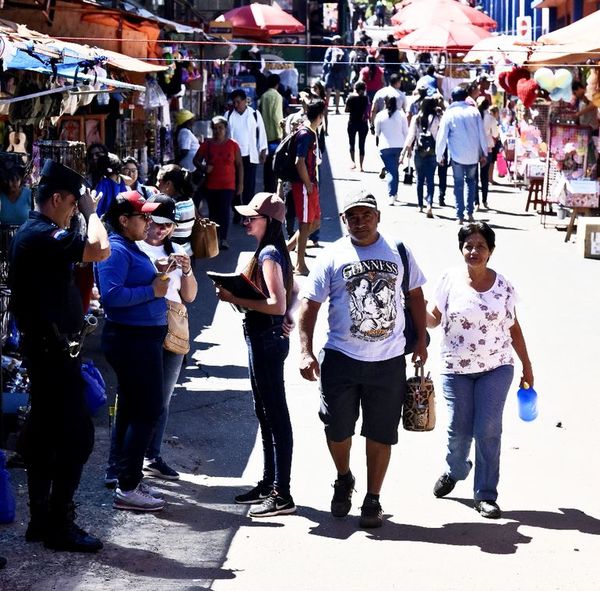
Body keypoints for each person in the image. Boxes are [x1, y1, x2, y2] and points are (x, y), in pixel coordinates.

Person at [298, 192, 427, 529]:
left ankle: (373, 498)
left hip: (389, 361)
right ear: (344, 220)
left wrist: (422, 339)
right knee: (337, 428)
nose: (360, 221)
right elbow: (309, 306)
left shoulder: (399, 251)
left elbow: (415, 295)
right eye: (352, 216)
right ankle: (344, 477)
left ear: (378, 217)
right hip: (341, 358)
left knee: (381, 432)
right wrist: (305, 350)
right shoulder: (332, 256)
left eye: (366, 215)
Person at [8, 160, 110, 552]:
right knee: (76, 437)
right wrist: (93, 211)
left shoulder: (41, 233)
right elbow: (99, 249)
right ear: (56, 198)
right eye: (71, 204)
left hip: (50, 351)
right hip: (50, 354)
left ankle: (41, 520)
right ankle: (59, 524)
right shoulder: (40, 233)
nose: (74, 211)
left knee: (42, 436)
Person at [426, 222, 533, 519]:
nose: (474, 251)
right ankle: (455, 469)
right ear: (461, 249)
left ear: (491, 252)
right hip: (455, 369)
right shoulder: (449, 279)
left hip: (496, 368)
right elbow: (434, 319)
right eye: (469, 246)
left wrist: (527, 365)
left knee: (488, 429)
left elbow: (514, 327)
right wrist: (415, 307)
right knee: (459, 432)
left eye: (481, 247)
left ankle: (485, 494)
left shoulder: (504, 286)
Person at [215, 193, 298, 518]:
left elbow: (276, 302)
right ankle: (269, 484)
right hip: (265, 336)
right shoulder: (271, 251)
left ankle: (282, 493)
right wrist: (288, 315)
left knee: (274, 414)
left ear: (270, 221)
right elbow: (291, 294)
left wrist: (234, 296)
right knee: (265, 412)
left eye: (253, 217)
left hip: (265, 337)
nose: (247, 221)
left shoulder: (269, 253)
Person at [96, 191, 169, 512]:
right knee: (147, 409)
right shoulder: (117, 249)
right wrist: (152, 288)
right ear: (124, 220)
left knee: (132, 409)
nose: (149, 222)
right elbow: (111, 297)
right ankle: (127, 485)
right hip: (132, 340)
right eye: (143, 217)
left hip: (140, 339)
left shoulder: (127, 247)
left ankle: (128, 477)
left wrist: (155, 276)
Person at [138, 195, 198, 479]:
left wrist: (186, 270)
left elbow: (190, 296)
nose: (161, 230)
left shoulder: (178, 249)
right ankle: (127, 460)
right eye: (157, 223)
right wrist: (160, 276)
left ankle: (153, 455)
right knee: (135, 397)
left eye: (168, 225)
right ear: (146, 219)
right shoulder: (133, 248)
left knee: (163, 397)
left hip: (173, 326)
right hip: (142, 325)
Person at [435, 86, 488, 224]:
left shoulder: (449, 113)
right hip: (473, 156)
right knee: (471, 183)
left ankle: (460, 215)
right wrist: (484, 153)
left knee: (458, 184)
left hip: (457, 156)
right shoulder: (474, 112)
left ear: (452, 98)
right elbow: (481, 134)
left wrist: (439, 155)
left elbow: (442, 136)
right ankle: (470, 213)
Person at [286, 99, 326, 276]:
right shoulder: (305, 134)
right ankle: (299, 264)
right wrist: (308, 184)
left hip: (310, 183)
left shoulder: (311, 132)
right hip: (304, 184)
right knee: (304, 224)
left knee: (315, 222)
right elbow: (299, 161)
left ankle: (285, 248)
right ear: (320, 116)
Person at [195, 116, 243, 250]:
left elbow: (239, 165)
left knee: (225, 211)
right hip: (211, 185)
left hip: (228, 185)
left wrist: (240, 184)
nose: (217, 131)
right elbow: (196, 160)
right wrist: (204, 168)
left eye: (220, 128)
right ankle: (214, 237)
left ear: (225, 129)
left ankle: (224, 239)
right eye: (215, 128)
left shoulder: (233, 145)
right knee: (213, 212)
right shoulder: (207, 145)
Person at [226, 89, 268, 210]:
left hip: (250, 155)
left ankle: (247, 212)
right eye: (234, 102)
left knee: (248, 186)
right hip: (233, 157)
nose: (236, 105)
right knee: (233, 185)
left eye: (238, 102)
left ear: (245, 101)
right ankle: (237, 210)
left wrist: (263, 150)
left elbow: (262, 132)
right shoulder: (228, 115)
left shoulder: (254, 114)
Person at [402, 96, 442, 216]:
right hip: (432, 152)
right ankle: (429, 204)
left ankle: (420, 205)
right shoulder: (437, 118)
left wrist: (403, 153)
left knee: (419, 179)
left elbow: (411, 136)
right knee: (430, 179)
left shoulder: (416, 118)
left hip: (419, 152)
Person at [375, 95, 408, 206]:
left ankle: (392, 194)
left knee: (392, 171)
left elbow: (377, 132)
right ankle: (393, 193)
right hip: (399, 146)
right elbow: (406, 132)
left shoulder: (380, 115)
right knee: (394, 171)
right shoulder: (401, 115)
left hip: (385, 148)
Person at [155, 164, 196, 255]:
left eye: (159, 180)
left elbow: (167, 233)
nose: (156, 184)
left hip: (175, 256)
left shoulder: (173, 205)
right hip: (188, 252)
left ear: (168, 184)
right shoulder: (189, 200)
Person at [259, 74, 284, 193]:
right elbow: (276, 116)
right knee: (275, 165)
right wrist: (281, 133)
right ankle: (273, 191)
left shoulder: (263, 96)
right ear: (277, 84)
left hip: (264, 136)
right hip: (275, 136)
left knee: (267, 165)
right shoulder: (277, 96)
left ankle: (267, 188)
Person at [476, 98, 500, 210]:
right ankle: (484, 200)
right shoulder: (490, 118)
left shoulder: (474, 116)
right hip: (487, 149)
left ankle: (476, 202)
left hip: (475, 148)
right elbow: (495, 133)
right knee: (484, 176)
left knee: (474, 176)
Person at [345, 81, 370, 172]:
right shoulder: (366, 98)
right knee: (362, 145)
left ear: (356, 89)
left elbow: (346, 110)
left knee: (352, 143)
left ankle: (353, 163)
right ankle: (361, 166)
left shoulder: (351, 98)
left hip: (352, 123)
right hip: (363, 124)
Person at [323, 35, 349, 115]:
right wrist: (345, 75)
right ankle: (336, 109)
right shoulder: (344, 50)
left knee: (329, 91)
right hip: (339, 73)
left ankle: (327, 108)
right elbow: (346, 63)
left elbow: (326, 60)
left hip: (331, 72)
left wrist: (325, 72)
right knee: (337, 91)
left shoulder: (330, 49)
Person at [0, 161, 31, 225]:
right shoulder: (1, 195)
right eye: (7, 180)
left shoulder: (28, 194)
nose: (10, 184)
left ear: (21, 179)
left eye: (15, 180)